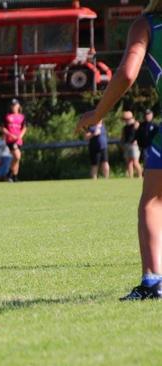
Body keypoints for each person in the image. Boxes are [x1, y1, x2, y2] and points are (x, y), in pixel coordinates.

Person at [76, 0, 162, 300]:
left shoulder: (146, 24)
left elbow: (127, 74)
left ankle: (153, 282)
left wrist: (97, 114)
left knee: (152, 202)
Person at [3, 99, 27, 182]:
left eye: (15, 105)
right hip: (11, 140)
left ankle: (14, 177)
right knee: (17, 156)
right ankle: (9, 173)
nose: (14, 107)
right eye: (12, 105)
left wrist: (20, 136)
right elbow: (3, 128)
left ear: (18, 106)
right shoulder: (7, 116)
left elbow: (24, 128)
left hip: (18, 140)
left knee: (17, 158)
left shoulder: (22, 117)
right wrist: (11, 135)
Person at [121, 110, 143, 178]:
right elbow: (123, 137)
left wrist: (137, 140)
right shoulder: (125, 127)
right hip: (127, 145)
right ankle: (131, 176)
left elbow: (140, 134)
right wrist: (122, 144)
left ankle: (140, 175)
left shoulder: (136, 124)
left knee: (135, 162)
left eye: (127, 119)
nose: (126, 120)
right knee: (129, 162)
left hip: (134, 146)